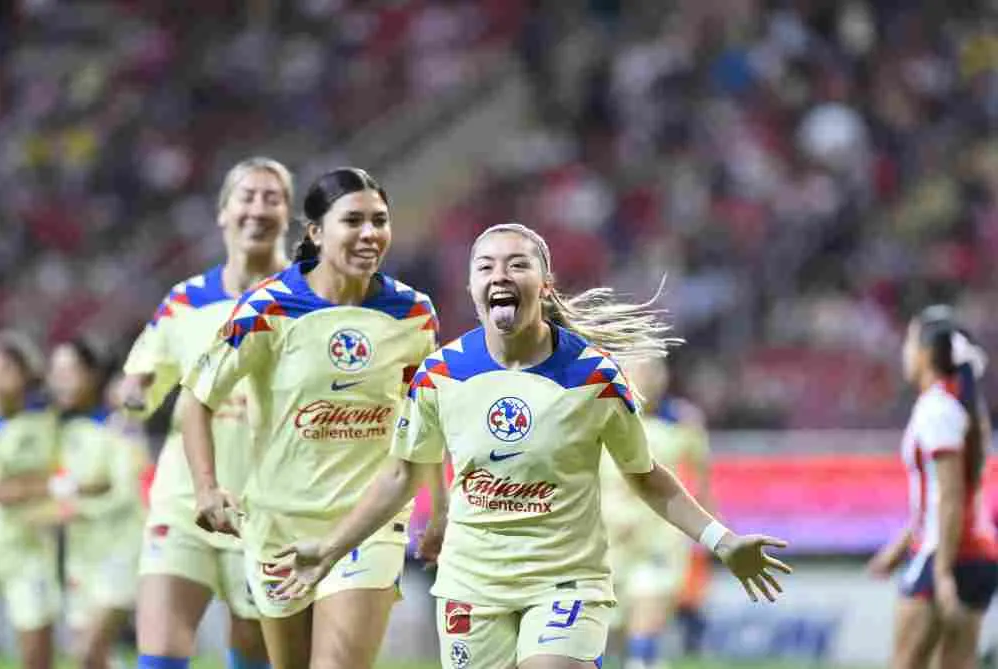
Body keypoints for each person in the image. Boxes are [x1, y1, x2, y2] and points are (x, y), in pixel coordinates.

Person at [271, 222, 791, 669]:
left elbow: (646, 474)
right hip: (471, 587)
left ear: (545, 285)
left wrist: (723, 541)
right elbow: (401, 474)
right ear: (472, 286)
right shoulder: (440, 374)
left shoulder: (594, 378)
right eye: (486, 266)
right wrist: (329, 547)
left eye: (517, 264)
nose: (500, 274)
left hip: (565, 585)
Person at [180, 167, 444, 669]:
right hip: (279, 524)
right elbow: (198, 397)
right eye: (354, 221)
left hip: (368, 521)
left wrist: (442, 509)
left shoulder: (414, 313)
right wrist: (207, 488)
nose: (370, 234)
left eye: (379, 221)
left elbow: (425, 422)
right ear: (316, 232)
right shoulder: (267, 309)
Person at [119, 156, 295, 669]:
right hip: (182, 501)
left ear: (288, 216)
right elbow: (143, 377)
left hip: (269, 511)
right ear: (222, 212)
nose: (258, 208)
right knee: (161, 651)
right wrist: (132, 389)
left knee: (252, 648)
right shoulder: (185, 301)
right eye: (247, 196)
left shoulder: (309, 300)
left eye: (272, 198)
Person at [868, 306, 997, 669]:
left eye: (909, 343)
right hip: (978, 553)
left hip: (946, 553)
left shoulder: (936, 408)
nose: (904, 353)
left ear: (926, 353)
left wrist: (941, 573)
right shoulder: (961, 405)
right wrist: (899, 548)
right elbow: (947, 497)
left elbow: (951, 497)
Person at [600, 358, 712, 669]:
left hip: (658, 540)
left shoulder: (683, 421)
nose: (650, 376)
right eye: (640, 367)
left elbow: (702, 483)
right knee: (611, 635)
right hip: (607, 543)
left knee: (644, 630)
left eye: (655, 368)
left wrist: (713, 536)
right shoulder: (601, 415)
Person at [47, 339, 148, 669]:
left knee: (88, 652)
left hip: (120, 549)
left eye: (69, 370)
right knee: (95, 660)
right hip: (81, 553)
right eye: (56, 371)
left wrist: (74, 491)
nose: (60, 379)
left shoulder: (121, 421)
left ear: (92, 374)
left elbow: (126, 484)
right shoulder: (58, 427)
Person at [0, 331, 61, 669]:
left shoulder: (43, 423)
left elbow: (58, 479)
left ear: (24, 374)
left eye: (5, 368)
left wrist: (18, 488)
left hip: (28, 548)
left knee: (35, 650)